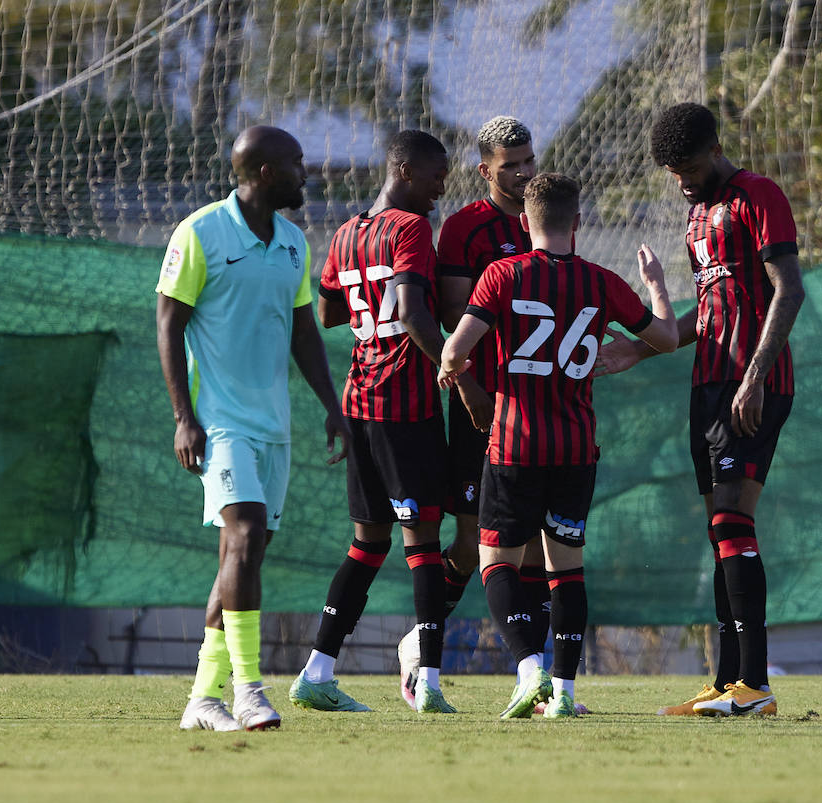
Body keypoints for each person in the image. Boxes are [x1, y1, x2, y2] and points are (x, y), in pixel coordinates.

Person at [438, 172, 677, 718]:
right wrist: (656, 284)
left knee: (495, 561)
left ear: (524, 222)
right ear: (578, 222)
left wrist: (453, 368)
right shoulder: (602, 282)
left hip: (515, 445)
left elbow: (454, 350)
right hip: (575, 448)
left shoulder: (503, 274)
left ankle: (529, 671)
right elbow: (666, 338)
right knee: (565, 570)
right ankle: (564, 693)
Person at [597, 103, 805, 717]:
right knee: (721, 531)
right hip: (708, 385)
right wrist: (640, 349)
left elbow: (789, 290)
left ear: (715, 149)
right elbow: (713, 309)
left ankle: (756, 685)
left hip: (752, 383)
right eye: (673, 173)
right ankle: (727, 682)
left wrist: (755, 376)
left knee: (733, 524)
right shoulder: (696, 216)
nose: (683, 182)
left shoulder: (758, 194)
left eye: (689, 168)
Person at [157, 126, 349, 732]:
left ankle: (202, 700)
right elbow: (168, 324)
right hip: (220, 423)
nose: (306, 172)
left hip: (274, 426)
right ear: (266, 172)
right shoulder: (200, 232)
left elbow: (303, 330)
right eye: (297, 162)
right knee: (244, 534)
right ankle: (248, 690)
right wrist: (184, 419)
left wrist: (333, 405)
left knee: (242, 557)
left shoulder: (292, 241)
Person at [286, 129, 458, 715]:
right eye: (436, 176)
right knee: (423, 546)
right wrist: (457, 372)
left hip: (359, 402)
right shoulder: (412, 228)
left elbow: (329, 311)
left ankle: (317, 671)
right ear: (405, 170)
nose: (441, 188)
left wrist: (371, 298)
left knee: (367, 544)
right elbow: (411, 313)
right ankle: (428, 681)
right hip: (404, 407)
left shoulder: (346, 233)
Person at [395, 117, 557, 708]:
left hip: (541, 408)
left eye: (530, 160)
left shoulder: (549, 220)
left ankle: (540, 681)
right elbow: (454, 317)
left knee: (539, 543)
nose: (524, 172)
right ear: (485, 170)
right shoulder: (465, 228)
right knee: (471, 544)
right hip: (482, 404)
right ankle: (420, 640)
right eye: (511, 165)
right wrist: (471, 387)